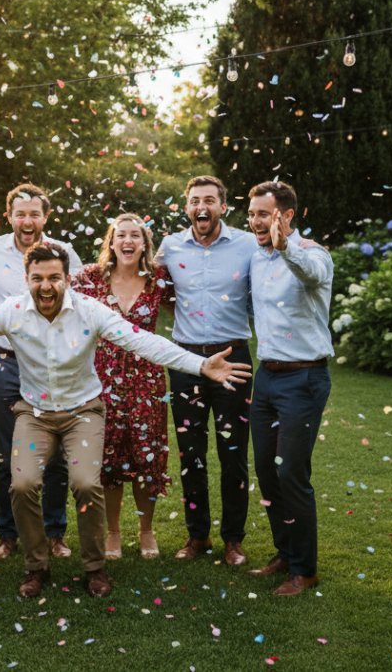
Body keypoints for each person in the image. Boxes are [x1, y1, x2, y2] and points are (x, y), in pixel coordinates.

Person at [0, 242, 252, 599]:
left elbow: (142, 341)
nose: (46, 286)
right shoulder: (12, 312)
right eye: (38, 278)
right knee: (22, 484)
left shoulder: (90, 311)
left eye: (54, 277)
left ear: (67, 279)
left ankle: (95, 568)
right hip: (35, 415)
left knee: (86, 483)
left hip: (83, 413)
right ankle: (36, 566)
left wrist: (201, 365)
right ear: (27, 280)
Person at [0, 183, 82, 562]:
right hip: (6, 364)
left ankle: (54, 533)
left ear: (45, 217)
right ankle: (8, 535)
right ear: (9, 216)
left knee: (54, 454)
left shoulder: (63, 252)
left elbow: (78, 299)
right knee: (8, 455)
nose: (27, 220)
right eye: (20, 213)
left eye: (34, 213)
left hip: (52, 366)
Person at [155, 175, 257, 566]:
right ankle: (197, 536)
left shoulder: (246, 244)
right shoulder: (170, 246)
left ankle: (233, 540)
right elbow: (160, 293)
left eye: (210, 200)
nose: (202, 207)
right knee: (191, 452)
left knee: (234, 453)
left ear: (222, 206)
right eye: (195, 200)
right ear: (187, 207)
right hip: (186, 361)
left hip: (233, 358)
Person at [243, 180, 334, 597]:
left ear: (287, 215)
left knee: (291, 472)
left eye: (263, 214)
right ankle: (284, 552)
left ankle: (304, 569)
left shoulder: (313, 254)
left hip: (304, 378)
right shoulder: (254, 257)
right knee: (266, 469)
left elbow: (312, 274)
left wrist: (285, 248)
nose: (255, 221)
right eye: (251, 214)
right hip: (266, 377)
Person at [71, 213, 172, 560]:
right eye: (121, 235)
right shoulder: (90, 278)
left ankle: (146, 531)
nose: (127, 241)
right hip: (104, 378)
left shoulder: (159, 279)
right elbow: (54, 294)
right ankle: (113, 532)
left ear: (144, 244)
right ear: (111, 243)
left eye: (135, 236)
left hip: (147, 379)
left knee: (146, 455)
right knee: (109, 457)